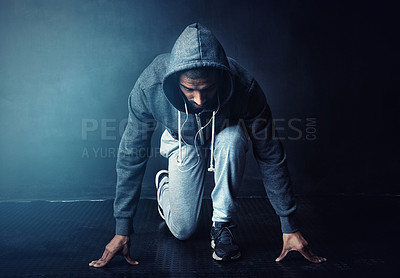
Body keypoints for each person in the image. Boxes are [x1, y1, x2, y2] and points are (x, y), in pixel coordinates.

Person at [89, 23, 326, 267]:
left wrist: (289, 225)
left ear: (221, 78)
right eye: (189, 90)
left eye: (208, 88)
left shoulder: (245, 87)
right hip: (181, 140)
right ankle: (164, 186)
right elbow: (131, 154)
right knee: (182, 231)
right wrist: (122, 228)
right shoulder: (150, 87)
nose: (199, 100)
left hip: (223, 135)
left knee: (233, 138)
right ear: (175, 82)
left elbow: (270, 154)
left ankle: (222, 226)